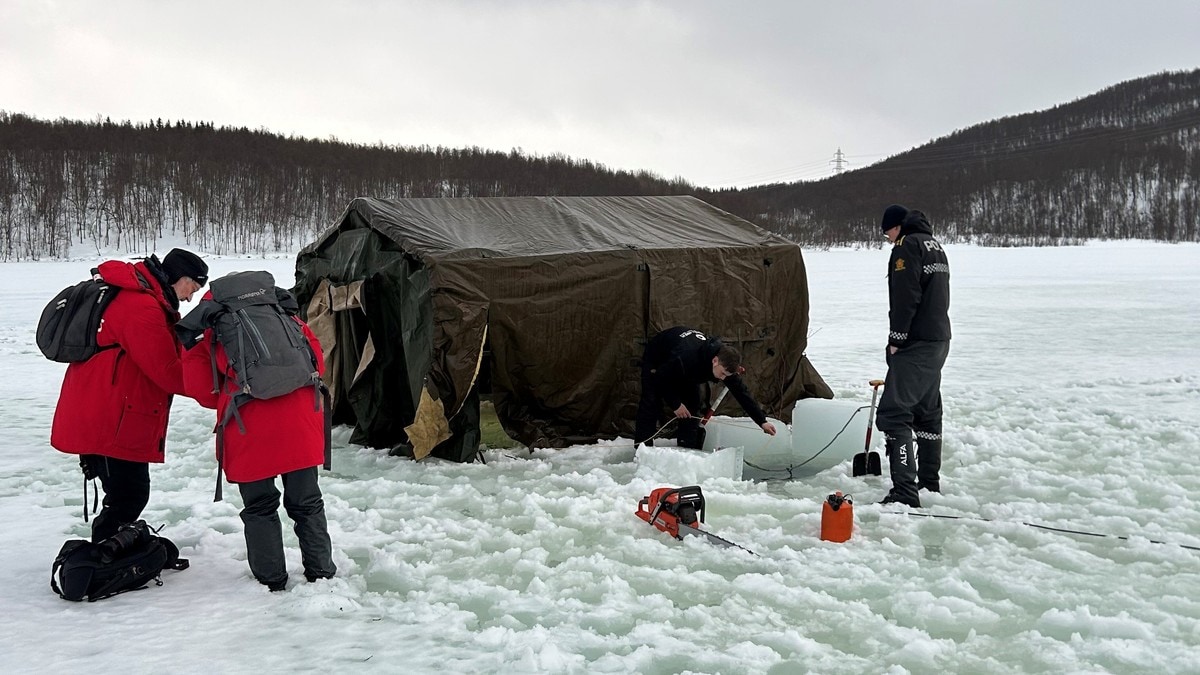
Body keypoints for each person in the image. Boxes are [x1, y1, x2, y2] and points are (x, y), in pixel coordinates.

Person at [181, 276, 336, 592]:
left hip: (248, 428)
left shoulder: (214, 334)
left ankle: (272, 580)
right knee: (307, 503)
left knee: (260, 507)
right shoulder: (287, 320)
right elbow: (316, 361)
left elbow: (200, 389)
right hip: (302, 426)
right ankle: (321, 574)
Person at [51, 248, 209, 542]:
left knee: (126, 494)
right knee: (129, 495)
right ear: (182, 278)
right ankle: (101, 560)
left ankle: (111, 554)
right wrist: (218, 391)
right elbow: (167, 370)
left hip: (112, 411)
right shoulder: (140, 306)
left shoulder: (147, 301)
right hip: (110, 417)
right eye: (193, 288)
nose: (190, 298)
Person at [875, 205, 951, 507]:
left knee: (893, 414)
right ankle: (929, 483)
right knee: (927, 412)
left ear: (897, 227)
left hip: (916, 342)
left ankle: (905, 492)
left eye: (887, 233)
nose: (889, 239)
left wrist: (896, 339)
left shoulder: (907, 248)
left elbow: (905, 296)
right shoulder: (936, 246)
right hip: (938, 339)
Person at [635, 326, 777, 448]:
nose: (723, 378)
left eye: (726, 376)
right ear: (715, 361)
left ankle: (687, 448)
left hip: (686, 370)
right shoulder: (685, 357)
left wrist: (762, 422)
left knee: (692, 404)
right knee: (651, 402)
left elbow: (741, 393)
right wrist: (675, 404)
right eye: (722, 374)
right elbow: (661, 377)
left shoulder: (725, 364)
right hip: (659, 359)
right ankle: (642, 450)